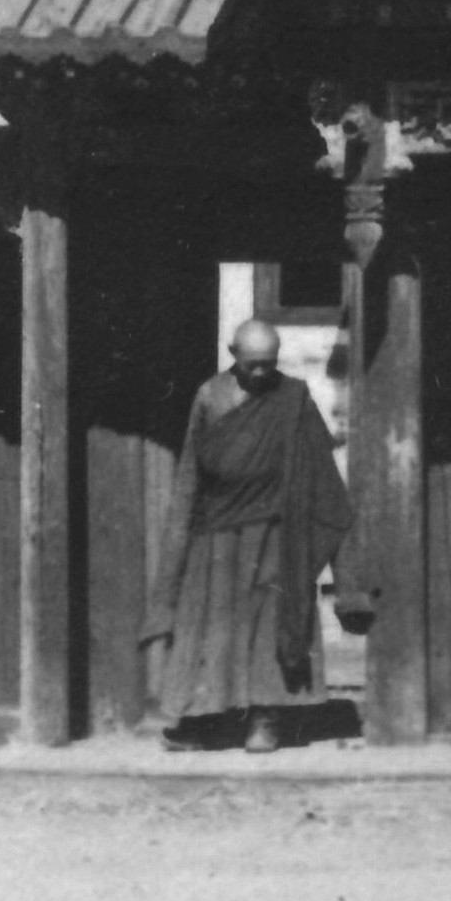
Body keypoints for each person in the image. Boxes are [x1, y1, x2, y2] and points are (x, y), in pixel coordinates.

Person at [144, 319, 359, 756]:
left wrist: (348, 576)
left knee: (268, 628)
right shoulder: (210, 395)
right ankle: (210, 720)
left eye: (269, 364)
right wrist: (181, 540)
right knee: (211, 627)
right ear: (232, 354)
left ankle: (266, 720)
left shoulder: (293, 398)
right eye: (253, 365)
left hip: (277, 533)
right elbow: (191, 471)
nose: (262, 374)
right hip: (218, 533)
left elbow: (322, 474)